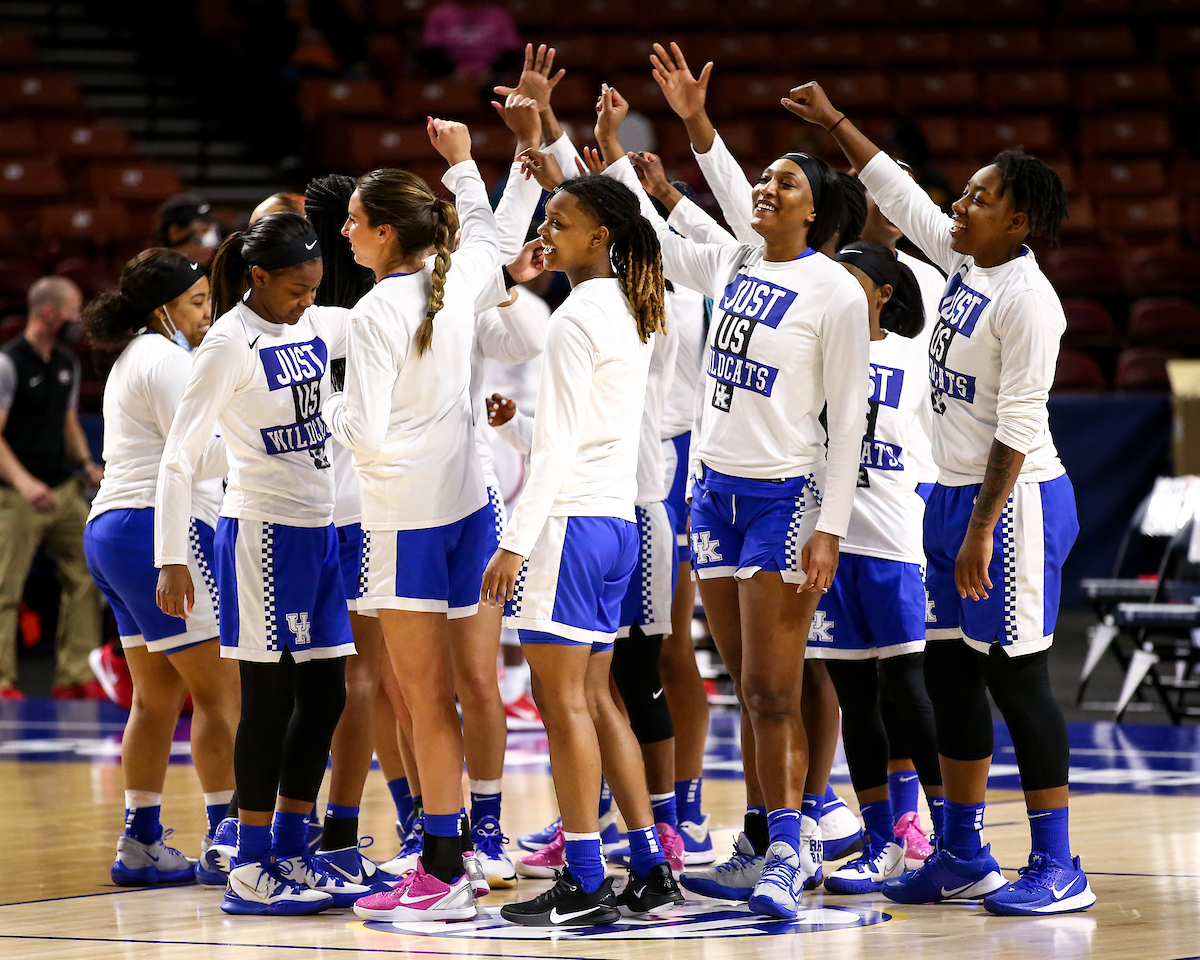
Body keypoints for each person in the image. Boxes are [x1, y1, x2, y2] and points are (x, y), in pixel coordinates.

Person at [782, 78, 1092, 916]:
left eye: (980, 198)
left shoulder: (1030, 301)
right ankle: (961, 854)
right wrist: (834, 122)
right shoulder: (963, 261)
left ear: (1018, 221)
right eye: (965, 193)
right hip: (951, 499)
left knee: (1017, 680)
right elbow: (896, 191)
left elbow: (1018, 427)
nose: (960, 205)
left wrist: (981, 529)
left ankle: (1058, 864)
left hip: (1013, 505)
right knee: (952, 679)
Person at [597, 75, 869, 920]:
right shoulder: (736, 260)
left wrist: (830, 527)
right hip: (712, 492)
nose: (765, 187)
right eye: (764, 178)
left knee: (773, 689)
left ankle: (791, 847)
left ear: (814, 210)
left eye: (785, 181)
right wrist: (621, 149)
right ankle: (758, 838)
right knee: (745, 686)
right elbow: (655, 227)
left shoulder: (835, 291)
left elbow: (850, 421)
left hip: (785, 496)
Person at [480, 165, 685, 927]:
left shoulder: (573, 318)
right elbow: (589, 436)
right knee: (597, 701)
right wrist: (519, 428)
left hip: (568, 528)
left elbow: (562, 452)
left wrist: (514, 542)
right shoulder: (633, 306)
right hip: (616, 526)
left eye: (558, 223)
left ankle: (586, 878)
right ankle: (651, 868)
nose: (545, 233)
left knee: (562, 704)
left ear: (599, 237)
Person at [324, 118, 515, 924]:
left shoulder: (372, 313)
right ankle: (459, 854)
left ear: (385, 232)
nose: (344, 233)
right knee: (460, 690)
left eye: (353, 221)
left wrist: (327, 403)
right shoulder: (456, 275)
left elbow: (363, 434)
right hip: (469, 509)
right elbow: (490, 238)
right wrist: (465, 163)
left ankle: (443, 873)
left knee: (425, 697)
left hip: (404, 521)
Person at [155, 212, 365, 917]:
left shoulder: (313, 323)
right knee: (269, 702)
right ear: (259, 277)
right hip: (261, 536)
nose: (308, 301)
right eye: (296, 290)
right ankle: (249, 866)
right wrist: (171, 558)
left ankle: (293, 848)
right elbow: (179, 456)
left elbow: (390, 316)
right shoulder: (227, 344)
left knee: (327, 696)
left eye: (315, 289)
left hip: (319, 531)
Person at [789, 242, 945, 896]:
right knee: (855, 699)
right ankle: (881, 841)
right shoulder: (812, 353)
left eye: (850, 278)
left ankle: (953, 839)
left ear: (884, 293)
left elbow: (942, 450)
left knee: (908, 690)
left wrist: (922, 511)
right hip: (830, 545)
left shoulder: (914, 357)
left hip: (895, 544)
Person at [82, 249, 240, 887]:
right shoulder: (168, 360)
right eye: (197, 302)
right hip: (156, 529)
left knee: (155, 699)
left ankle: (141, 841)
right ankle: (228, 838)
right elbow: (193, 456)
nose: (208, 313)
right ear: (162, 309)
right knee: (222, 694)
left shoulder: (131, 357)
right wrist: (262, 441)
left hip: (109, 528)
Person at [0, 276, 104, 700]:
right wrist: (24, 483)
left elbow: (68, 421)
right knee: (5, 586)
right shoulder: (8, 364)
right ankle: (2, 681)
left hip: (61, 488)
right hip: (16, 494)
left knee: (89, 572)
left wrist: (86, 464)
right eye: (73, 309)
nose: (79, 319)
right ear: (49, 311)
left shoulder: (66, 363)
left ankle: (76, 674)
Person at [419, 0, 520, 80]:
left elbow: (511, 51)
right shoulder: (439, 14)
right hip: (448, 75)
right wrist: (453, 72)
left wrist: (491, 73)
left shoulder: (499, 15)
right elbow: (431, 50)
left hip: (493, 77)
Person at [157, 194, 220, 268]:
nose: (210, 245)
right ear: (176, 232)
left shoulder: (217, 270)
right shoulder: (159, 271)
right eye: (202, 232)